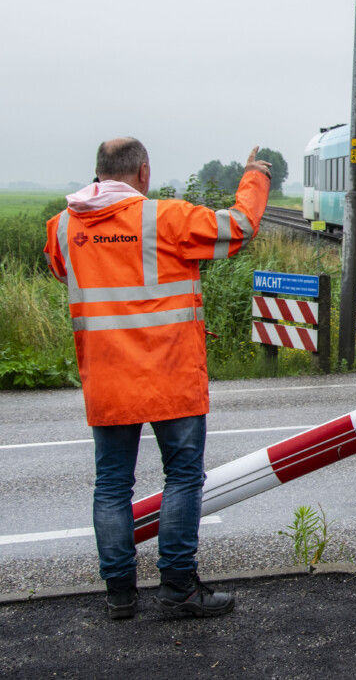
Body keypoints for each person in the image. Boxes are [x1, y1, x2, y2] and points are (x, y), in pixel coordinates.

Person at [43, 138, 271, 620]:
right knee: (183, 478)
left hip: (107, 378)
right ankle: (178, 587)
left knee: (111, 486)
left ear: (98, 173)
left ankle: (121, 594)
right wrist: (256, 175)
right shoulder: (167, 219)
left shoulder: (63, 227)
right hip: (171, 376)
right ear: (143, 173)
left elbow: (62, 270)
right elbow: (240, 227)